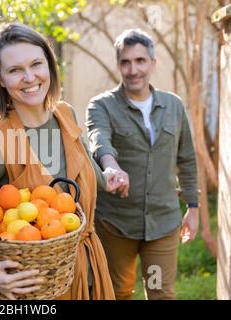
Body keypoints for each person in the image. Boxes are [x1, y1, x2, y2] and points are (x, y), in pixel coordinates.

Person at [0, 23, 118, 300]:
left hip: (89, 270)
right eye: (14, 70)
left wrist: (111, 173)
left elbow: (90, 174)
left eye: (36, 64)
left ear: (49, 65)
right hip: (36, 288)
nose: (29, 77)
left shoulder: (65, 115)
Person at [85, 29, 199, 300]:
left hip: (162, 224)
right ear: (118, 65)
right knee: (116, 293)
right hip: (115, 224)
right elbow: (99, 139)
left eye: (140, 61)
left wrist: (193, 207)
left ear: (152, 63)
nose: (133, 69)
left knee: (160, 292)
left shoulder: (173, 106)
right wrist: (110, 165)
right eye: (125, 62)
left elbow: (186, 158)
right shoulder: (102, 106)